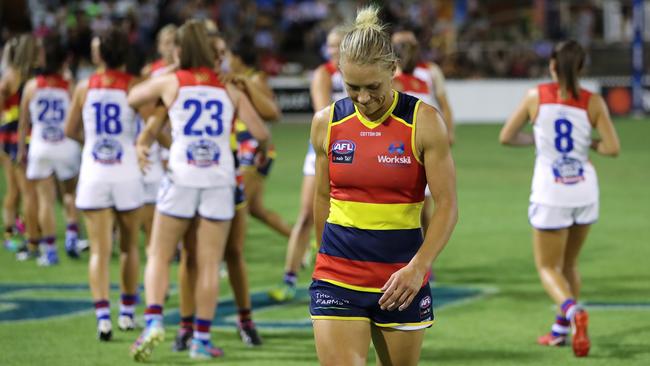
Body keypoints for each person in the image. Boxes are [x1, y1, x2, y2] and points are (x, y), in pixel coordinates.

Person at [310, 7, 458, 366]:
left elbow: (448, 206)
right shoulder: (326, 123)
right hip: (337, 276)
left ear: (393, 71)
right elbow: (322, 197)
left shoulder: (423, 123)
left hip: (401, 279)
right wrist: (324, 259)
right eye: (352, 87)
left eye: (373, 86)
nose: (362, 98)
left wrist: (419, 267)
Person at [128, 20, 269, 361]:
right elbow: (261, 131)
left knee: (160, 254)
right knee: (208, 265)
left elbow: (133, 97)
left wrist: (172, 74)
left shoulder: (171, 81)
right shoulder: (228, 88)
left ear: (180, 50)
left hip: (181, 176)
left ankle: (153, 321)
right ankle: (201, 342)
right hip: (219, 180)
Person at [500, 40, 619, 357]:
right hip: (584, 189)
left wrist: (539, 141)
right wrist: (589, 146)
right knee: (570, 264)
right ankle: (559, 332)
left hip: (551, 191)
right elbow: (612, 148)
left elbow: (507, 136)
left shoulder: (536, 96)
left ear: (552, 65)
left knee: (548, 268)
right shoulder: (592, 102)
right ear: (582, 68)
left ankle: (572, 311)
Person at [171, 30, 264, 351]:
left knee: (234, 252)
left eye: (224, 52)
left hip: (229, 175)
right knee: (190, 256)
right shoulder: (181, 81)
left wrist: (244, 83)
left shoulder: (231, 84)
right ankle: (186, 326)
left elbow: (271, 114)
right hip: (196, 175)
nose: (222, 58)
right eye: (217, 52)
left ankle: (245, 320)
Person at [64, 27, 143, 341]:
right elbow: (153, 125)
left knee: (99, 250)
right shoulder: (135, 86)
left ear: (99, 55)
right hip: (126, 172)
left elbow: (71, 129)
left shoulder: (84, 87)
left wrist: (94, 142)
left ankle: (103, 319)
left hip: (94, 172)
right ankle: (126, 313)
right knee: (129, 248)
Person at [268, 26, 347, 302]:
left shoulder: (359, 73)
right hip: (325, 150)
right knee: (306, 215)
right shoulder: (324, 74)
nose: (333, 50)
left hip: (353, 152)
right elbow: (323, 113)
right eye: (330, 45)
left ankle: (343, 278)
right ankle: (290, 277)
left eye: (338, 45)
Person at [17, 33, 83, 261]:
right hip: (66, 144)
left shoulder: (31, 86)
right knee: (70, 194)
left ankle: (50, 251)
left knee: (45, 200)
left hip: (40, 146)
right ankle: (73, 236)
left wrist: (21, 151)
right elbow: (79, 118)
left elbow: (23, 123)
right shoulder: (69, 86)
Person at [225, 35, 290, 238]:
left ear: (237, 57)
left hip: (253, 149)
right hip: (248, 147)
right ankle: (301, 241)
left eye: (228, 55)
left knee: (236, 206)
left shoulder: (255, 79)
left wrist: (247, 84)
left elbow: (272, 113)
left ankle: (227, 258)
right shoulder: (238, 80)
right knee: (256, 210)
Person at [392, 29, 454, 233]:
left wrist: (448, 131)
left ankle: (423, 257)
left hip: (423, 146)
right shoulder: (389, 75)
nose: (405, 48)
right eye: (400, 44)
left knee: (424, 206)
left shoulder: (430, 71)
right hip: (398, 148)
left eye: (408, 43)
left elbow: (443, 104)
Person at [0, 34, 42, 263]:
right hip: (25, 136)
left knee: (16, 190)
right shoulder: (35, 77)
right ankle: (23, 234)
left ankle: (13, 232)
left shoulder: (10, 77)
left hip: (10, 136)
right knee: (26, 191)